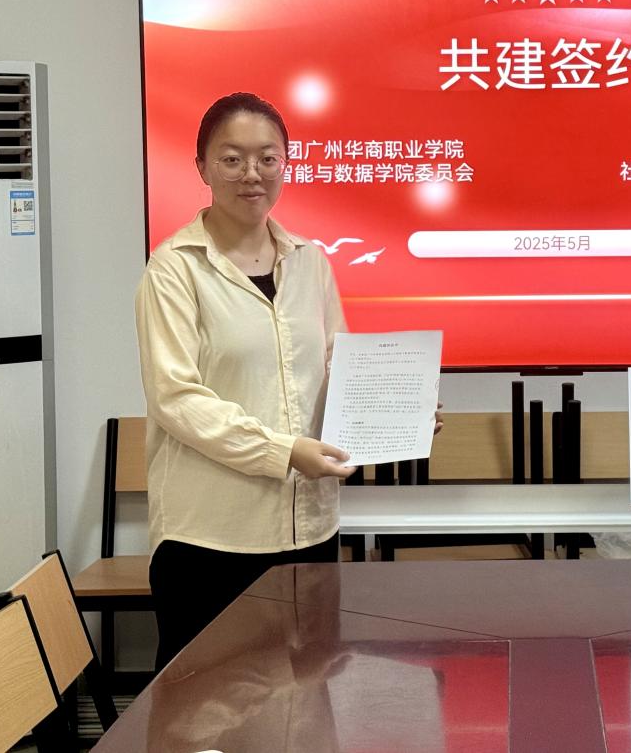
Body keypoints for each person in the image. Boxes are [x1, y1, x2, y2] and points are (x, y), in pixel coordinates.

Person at [136, 91, 440, 668]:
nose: (252, 173)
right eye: (232, 159)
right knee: (208, 709)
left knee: (309, 699)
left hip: (311, 531)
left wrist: (401, 412)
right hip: (213, 538)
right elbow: (176, 399)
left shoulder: (310, 263)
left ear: (286, 163)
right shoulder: (173, 269)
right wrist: (284, 452)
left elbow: (336, 371)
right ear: (201, 167)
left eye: (267, 157)